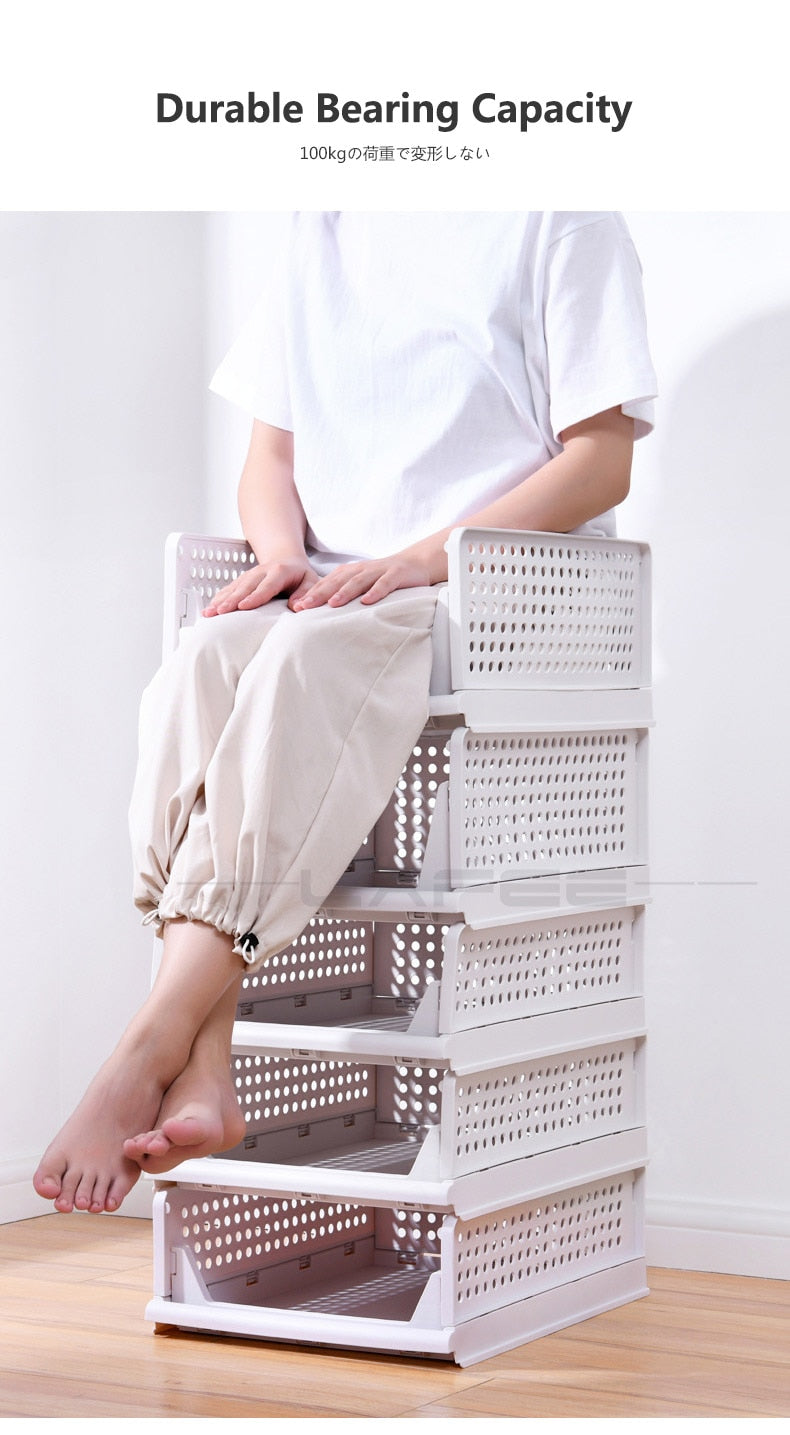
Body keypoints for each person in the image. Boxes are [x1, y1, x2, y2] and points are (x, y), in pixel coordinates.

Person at [33, 211, 657, 1215]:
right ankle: (203, 1067)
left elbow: (601, 462)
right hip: (334, 583)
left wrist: (418, 559)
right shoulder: (324, 225)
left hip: (486, 580)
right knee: (204, 658)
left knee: (298, 659)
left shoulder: (559, 215)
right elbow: (269, 460)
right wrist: (280, 554)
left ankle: (145, 1048)